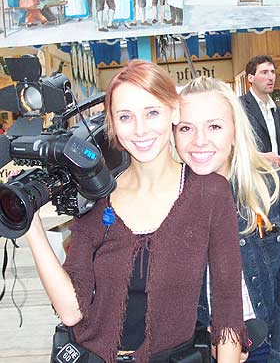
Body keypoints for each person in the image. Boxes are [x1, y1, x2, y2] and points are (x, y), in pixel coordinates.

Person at [25, 60, 247, 363]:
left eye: (152, 112)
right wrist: (31, 226)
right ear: (112, 123)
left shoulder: (210, 192)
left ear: (174, 111)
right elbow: (71, 310)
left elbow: (227, 308)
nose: (141, 130)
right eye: (125, 116)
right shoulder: (97, 197)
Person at [174, 77, 280, 363]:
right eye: (186, 128)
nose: (199, 140)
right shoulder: (169, 200)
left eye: (214, 126)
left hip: (268, 343)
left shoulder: (269, 189)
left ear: (235, 131)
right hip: (201, 345)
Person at [240, 55, 280, 166]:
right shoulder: (239, 107)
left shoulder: (276, 110)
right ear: (250, 78)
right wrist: (262, 157)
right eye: (264, 72)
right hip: (254, 176)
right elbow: (233, 147)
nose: (271, 77)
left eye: (272, 72)